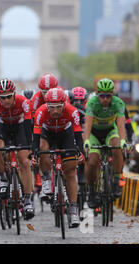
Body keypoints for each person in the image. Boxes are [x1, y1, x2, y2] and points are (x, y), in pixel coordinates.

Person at [33, 88, 83, 228]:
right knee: (42, 148)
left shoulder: (72, 111)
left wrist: (80, 152)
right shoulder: (41, 112)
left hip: (65, 134)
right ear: (47, 105)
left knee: (70, 172)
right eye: (51, 107)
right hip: (47, 134)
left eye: (58, 107)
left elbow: (78, 136)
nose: (55, 111)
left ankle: (73, 209)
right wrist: (35, 154)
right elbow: (36, 138)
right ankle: (47, 178)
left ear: (64, 104)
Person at [0, 78, 34, 219]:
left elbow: (28, 127)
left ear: (14, 94)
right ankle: (2, 178)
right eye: (3, 98)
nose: (6, 100)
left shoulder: (24, 102)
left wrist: (30, 147)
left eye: (9, 97)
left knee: (24, 161)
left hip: (20, 126)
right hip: (3, 127)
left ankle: (27, 200)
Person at [83, 78, 127, 208]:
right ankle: (91, 191)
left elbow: (120, 125)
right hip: (94, 134)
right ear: (98, 94)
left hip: (110, 131)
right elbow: (88, 126)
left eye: (108, 96)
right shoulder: (92, 103)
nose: (106, 99)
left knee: (117, 146)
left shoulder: (118, 103)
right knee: (92, 161)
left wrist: (123, 140)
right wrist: (86, 141)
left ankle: (117, 180)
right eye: (102, 96)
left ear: (112, 95)